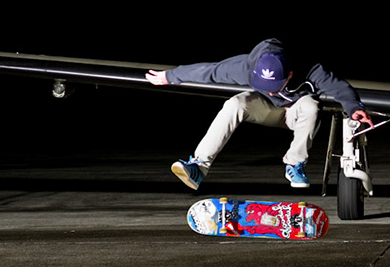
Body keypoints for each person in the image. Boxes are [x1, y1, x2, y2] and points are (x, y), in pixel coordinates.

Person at [146, 39, 372, 190]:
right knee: (236, 103)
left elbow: (339, 87)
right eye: (264, 84)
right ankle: (199, 167)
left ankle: (294, 164)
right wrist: (170, 76)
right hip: (268, 110)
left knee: (311, 106)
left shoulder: (311, 69)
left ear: (290, 74)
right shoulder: (245, 66)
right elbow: (210, 71)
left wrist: (355, 109)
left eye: (275, 85)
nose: (271, 89)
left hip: (298, 115)